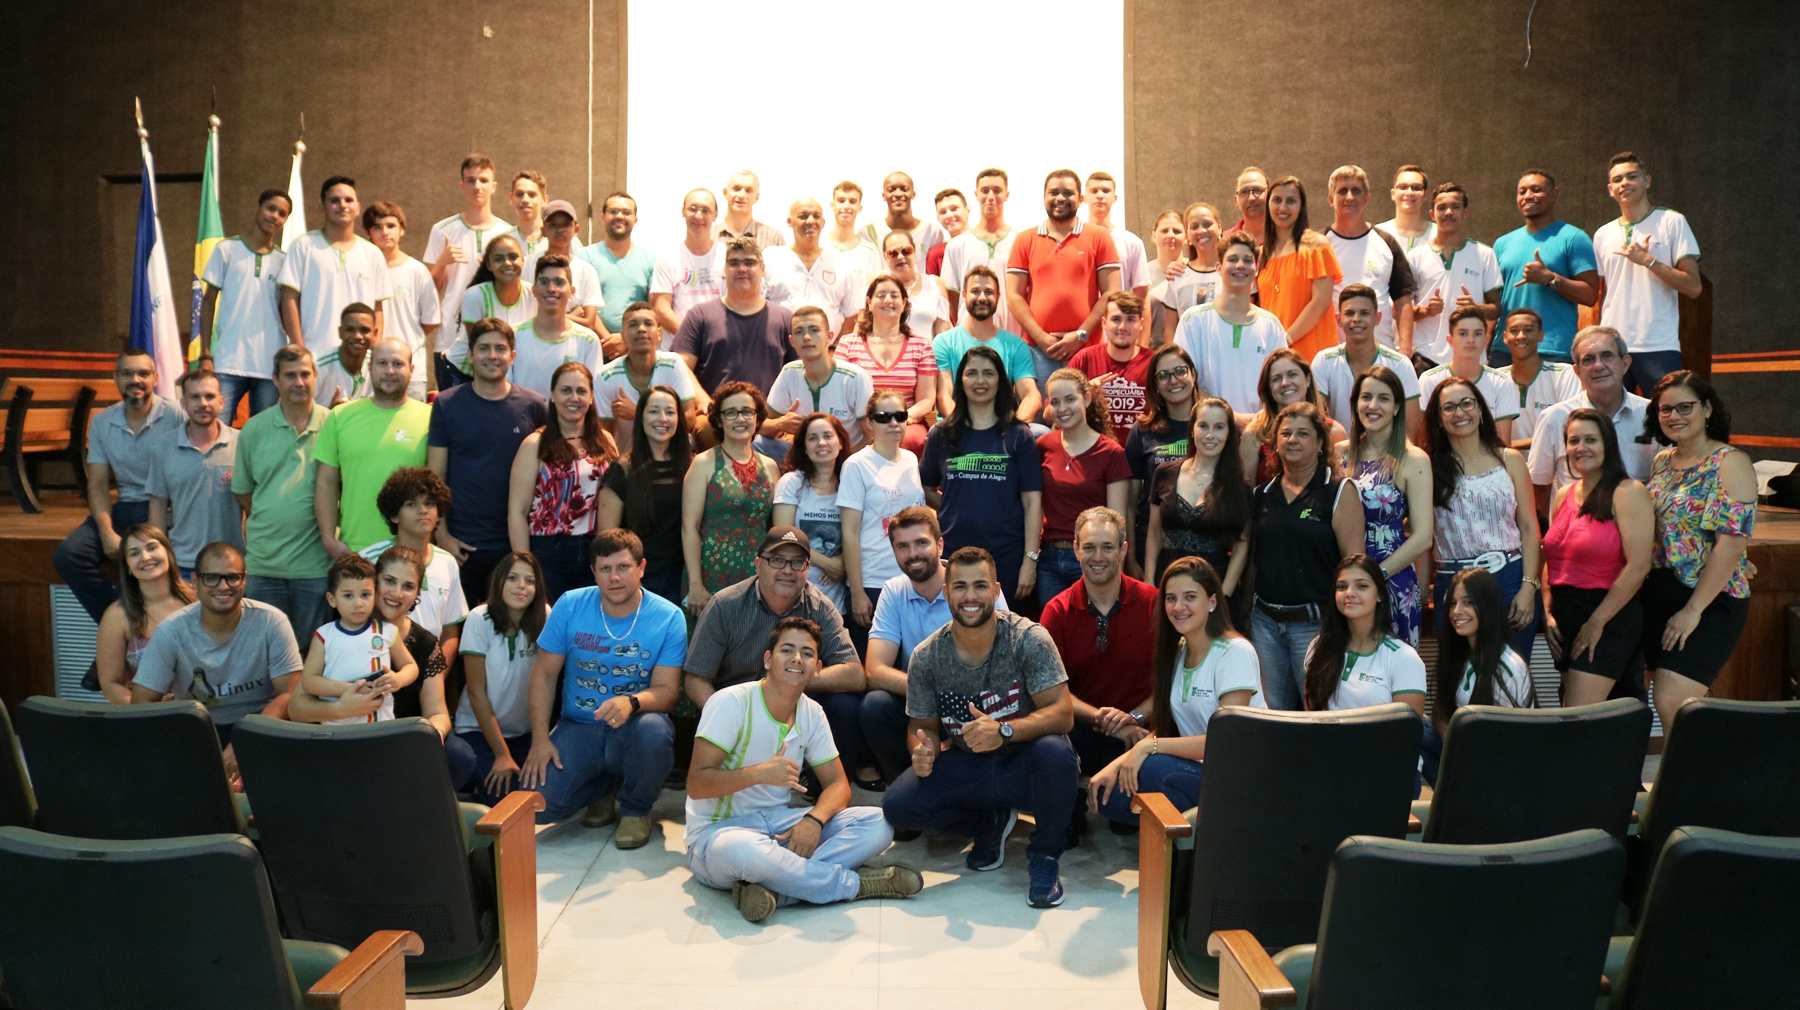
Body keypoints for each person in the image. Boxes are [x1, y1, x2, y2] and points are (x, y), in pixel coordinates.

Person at [686, 617, 920, 924]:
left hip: (779, 825)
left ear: (817, 668)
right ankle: (854, 886)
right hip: (718, 833)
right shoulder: (730, 702)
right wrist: (758, 773)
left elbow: (838, 786)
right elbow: (697, 784)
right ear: (768, 660)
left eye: (807, 653)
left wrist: (814, 819)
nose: (797, 659)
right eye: (787, 650)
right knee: (745, 852)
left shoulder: (812, 712)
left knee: (879, 823)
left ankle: (777, 888)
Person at [881, 547, 1078, 908]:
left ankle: (1045, 858)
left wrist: (1004, 731)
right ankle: (988, 822)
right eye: (960, 586)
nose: (970, 596)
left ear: (995, 590)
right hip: (969, 765)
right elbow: (921, 726)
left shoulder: (1028, 638)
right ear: (946, 593)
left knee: (1056, 752)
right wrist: (921, 749)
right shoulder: (927, 656)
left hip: (1023, 763)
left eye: (980, 586)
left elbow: (1063, 714)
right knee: (898, 806)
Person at [518, 529, 684, 845]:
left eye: (623, 567)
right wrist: (540, 740)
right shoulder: (570, 604)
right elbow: (543, 675)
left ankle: (635, 809)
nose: (614, 578)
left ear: (641, 568)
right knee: (537, 806)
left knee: (654, 731)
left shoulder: (668, 617)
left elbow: (667, 692)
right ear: (593, 572)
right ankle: (601, 790)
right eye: (605, 569)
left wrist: (631, 703)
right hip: (579, 724)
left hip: (634, 725)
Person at [1088, 556, 1265, 827]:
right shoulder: (1180, 651)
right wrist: (1117, 765)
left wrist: (1148, 747)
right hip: (1195, 770)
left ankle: (1217, 835)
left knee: (1155, 769)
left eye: (1190, 597)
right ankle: (1190, 834)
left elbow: (1227, 740)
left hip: (1237, 778)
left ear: (1213, 602)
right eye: (1171, 598)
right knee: (1107, 795)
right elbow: (1169, 729)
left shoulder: (1235, 652)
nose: (1178, 607)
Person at [683, 528, 867, 784]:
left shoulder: (821, 607)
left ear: (807, 568)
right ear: (758, 564)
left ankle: (818, 789)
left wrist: (794, 677)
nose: (788, 570)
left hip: (794, 711)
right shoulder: (725, 605)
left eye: (797, 562)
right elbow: (695, 680)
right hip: (738, 711)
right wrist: (727, 718)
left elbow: (855, 674)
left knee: (845, 706)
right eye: (777, 560)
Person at [860, 507, 1013, 788]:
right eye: (903, 546)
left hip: (976, 699)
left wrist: (954, 698)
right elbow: (875, 670)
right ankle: (906, 784)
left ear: (940, 545)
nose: (913, 554)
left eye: (921, 543)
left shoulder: (973, 586)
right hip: (921, 702)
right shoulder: (893, 591)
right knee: (875, 705)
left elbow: (1006, 657)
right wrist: (934, 694)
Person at [1638, 370, 1755, 731]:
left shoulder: (1730, 461)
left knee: (1673, 701)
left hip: (1709, 599)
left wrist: (1692, 611)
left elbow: (1731, 542)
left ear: (1706, 409)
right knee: (1662, 703)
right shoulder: (1662, 461)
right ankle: (1683, 770)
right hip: (1660, 593)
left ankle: (1708, 769)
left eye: (1684, 407)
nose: (1674, 416)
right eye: (1665, 409)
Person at [1039, 507, 1158, 840]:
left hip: (1139, 731)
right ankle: (1069, 807)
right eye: (1089, 547)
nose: (1098, 557)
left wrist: (1133, 718)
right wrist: (1104, 720)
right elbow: (1050, 690)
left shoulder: (1154, 603)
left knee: (1124, 822)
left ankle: (1116, 801)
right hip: (1083, 728)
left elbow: (1175, 679)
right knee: (1047, 741)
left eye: (1108, 547)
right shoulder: (1056, 611)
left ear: (1123, 549)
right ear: (1076, 549)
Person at [55, 350, 190, 626]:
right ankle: (122, 623)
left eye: (143, 373)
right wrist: (106, 532)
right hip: (125, 507)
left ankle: (130, 625)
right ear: (116, 378)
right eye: (127, 373)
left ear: (155, 378)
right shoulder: (102, 421)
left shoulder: (176, 414)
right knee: (69, 556)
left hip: (166, 508)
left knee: (138, 565)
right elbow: (98, 483)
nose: (135, 380)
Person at [1249, 402, 1366, 711]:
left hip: (1316, 625)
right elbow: (1252, 562)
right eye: (1286, 433)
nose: (1293, 440)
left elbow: (1355, 565)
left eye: (1303, 434)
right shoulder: (1261, 494)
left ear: (1320, 444)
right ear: (1275, 443)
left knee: (1318, 713)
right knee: (1270, 715)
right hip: (1265, 624)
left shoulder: (1338, 490)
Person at [130, 542, 304, 749]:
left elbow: (289, 694)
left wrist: (247, 741)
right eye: (211, 578)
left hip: (261, 724)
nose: (223, 586)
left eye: (232, 577)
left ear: (244, 579)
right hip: (196, 728)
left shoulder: (272, 621)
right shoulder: (171, 631)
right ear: (195, 581)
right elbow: (141, 703)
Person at [427, 318, 548, 603]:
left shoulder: (534, 405)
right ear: (470, 355)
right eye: (483, 348)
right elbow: (434, 478)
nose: (492, 356)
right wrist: (442, 536)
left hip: (517, 546)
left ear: (512, 356)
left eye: (500, 348)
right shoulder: (446, 404)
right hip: (463, 548)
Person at [1424, 376, 1543, 659]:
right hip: (1453, 582)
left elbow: (1529, 527)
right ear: (1438, 419)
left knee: (1512, 674)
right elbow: (1423, 537)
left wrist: (1529, 585)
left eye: (1467, 403)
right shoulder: (1427, 467)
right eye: (1449, 407)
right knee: (1458, 675)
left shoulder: (1510, 460)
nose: (1460, 412)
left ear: (1480, 409)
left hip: (1509, 577)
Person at [1541, 410, 1652, 706]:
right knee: (1575, 710)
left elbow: (1639, 566)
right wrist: (1547, 611)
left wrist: (1596, 622)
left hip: (1607, 614)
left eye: (1591, 440)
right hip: (1565, 615)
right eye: (1573, 441)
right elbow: (1553, 558)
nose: (1581, 448)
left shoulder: (1628, 492)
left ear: (1608, 444)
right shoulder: (1564, 494)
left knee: (1576, 717)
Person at [920, 346, 1043, 600]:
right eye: (971, 373)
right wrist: (954, 507)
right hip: (954, 555)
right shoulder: (941, 434)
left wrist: (1029, 560)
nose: (980, 381)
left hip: (1007, 557)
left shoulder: (1019, 435)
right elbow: (926, 488)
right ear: (961, 381)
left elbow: (1033, 503)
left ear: (1001, 381)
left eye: (988, 373)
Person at [1302, 555, 1428, 795]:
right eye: (1341, 587)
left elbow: (1406, 737)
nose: (1349, 593)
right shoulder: (1318, 647)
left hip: (1387, 772)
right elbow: (1313, 719)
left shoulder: (1404, 657)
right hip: (1331, 767)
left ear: (1379, 594)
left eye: (1361, 586)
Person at [233, 346, 333, 641]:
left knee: (312, 653)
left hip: (316, 568)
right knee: (264, 651)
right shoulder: (254, 429)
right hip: (264, 566)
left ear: (315, 376)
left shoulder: (334, 426)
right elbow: (244, 492)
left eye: (305, 374)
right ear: (275, 379)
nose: (299, 382)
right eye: (290, 375)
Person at [1592, 152, 1703, 396]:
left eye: (1632, 177)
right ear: (1610, 189)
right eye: (1618, 180)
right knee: (1611, 417)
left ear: (1647, 181)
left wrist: (1649, 261)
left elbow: (1694, 287)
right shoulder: (1602, 234)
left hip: (1658, 344)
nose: (1625, 183)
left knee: (1666, 413)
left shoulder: (1672, 221)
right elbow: (1607, 293)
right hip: (1613, 347)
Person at [1339, 368, 1434, 646]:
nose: (1373, 405)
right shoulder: (1340, 453)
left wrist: (1374, 578)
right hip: (1345, 582)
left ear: (1396, 407)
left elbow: (1423, 536)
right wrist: (1352, 582)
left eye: (1383, 398)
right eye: (1366, 397)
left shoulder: (1413, 458)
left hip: (1392, 577)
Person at [506, 363, 617, 601]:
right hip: (548, 551)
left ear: (591, 396)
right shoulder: (535, 444)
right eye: (566, 390)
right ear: (553, 395)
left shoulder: (605, 441)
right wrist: (524, 563)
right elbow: (517, 511)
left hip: (596, 550)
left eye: (581, 391)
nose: (574, 398)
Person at [313, 338, 432, 554]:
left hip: (411, 555)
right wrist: (329, 540)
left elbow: (438, 486)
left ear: (412, 370)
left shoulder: (431, 418)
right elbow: (326, 483)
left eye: (398, 364)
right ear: (369, 367)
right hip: (354, 550)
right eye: (382, 363)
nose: (389, 371)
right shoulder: (340, 416)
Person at [1007, 169, 1122, 390]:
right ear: (1044, 197)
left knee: (1088, 407)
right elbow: (1013, 296)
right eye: (1054, 193)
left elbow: (1111, 293)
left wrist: (1080, 335)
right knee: (1040, 411)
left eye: (1068, 193)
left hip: (1086, 348)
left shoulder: (1100, 237)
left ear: (1080, 198)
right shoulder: (1024, 239)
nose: (1060, 198)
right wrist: (1041, 338)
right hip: (1037, 351)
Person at [1422, 566, 1536, 781]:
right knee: (1415, 727)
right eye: (1453, 603)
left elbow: (1512, 743)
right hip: (1464, 757)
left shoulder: (1509, 667)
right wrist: (1455, 750)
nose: (1457, 611)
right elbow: (1440, 712)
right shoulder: (1459, 653)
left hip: (1497, 773)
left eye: (1468, 602)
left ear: (1488, 606)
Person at [1528, 326, 1657, 515]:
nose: (1598, 366)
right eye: (1588, 359)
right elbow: (1538, 486)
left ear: (1625, 364)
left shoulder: (1651, 414)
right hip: (1577, 528)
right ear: (1577, 371)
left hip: (1639, 525)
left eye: (1606, 356)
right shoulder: (1554, 418)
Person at [455, 551, 547, 804]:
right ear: (499, 582)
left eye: (530, 580)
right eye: (512, 578)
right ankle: (472, 786)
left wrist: (541, 741)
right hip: (478, 731)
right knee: (507, 802)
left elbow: (549, 680)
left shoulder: (544, 616)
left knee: (543, 798)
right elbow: (475, 692)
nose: (521, 586)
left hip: (524, 732)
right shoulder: (479, 618)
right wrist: (502, 755)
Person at [356, 467, 469, 671]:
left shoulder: (447, 562)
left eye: (430, 503)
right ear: (394, 515)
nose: (423, 510)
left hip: (431, 674)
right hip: (378, 671)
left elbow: (450, 632)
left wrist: (435, 676)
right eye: (411, 504)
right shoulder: (368, 560)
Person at [838, 391, 928, 642]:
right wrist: (857, 592)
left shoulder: (911, 459)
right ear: (869, 422)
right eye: (883, 417)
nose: (893, 423)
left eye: (900, 416)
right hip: (873, 582)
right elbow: (849, 532)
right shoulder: (856, 465)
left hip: (912, 579)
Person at [197, 189, 293, 418]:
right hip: (228, 361)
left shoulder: (284, 261)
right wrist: (206, 354)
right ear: (258, 208)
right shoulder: (227, 249)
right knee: (217, 428)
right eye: (271, 208)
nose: (275, 216)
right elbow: (208, 302)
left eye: (282, 214)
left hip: (269, 366)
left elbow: (290, 309)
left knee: (263, 434)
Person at [682, 383, 779, 610]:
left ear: (757, 417)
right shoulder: (703, 463)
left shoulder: (770, 467)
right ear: (719, 420)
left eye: (747, 411)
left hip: (757, 577)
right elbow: (689, 528)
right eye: (731, 412)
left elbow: (775, 528)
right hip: (710, 575)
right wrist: (695, 583)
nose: (740, 419)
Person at [1036, 368, 1130, 603]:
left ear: (1087, 399)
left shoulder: (1111, 452)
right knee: (1051, 626)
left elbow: (1118, 522)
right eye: (1055, 402)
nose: (1062, 408)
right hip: (1049, 560)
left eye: (1070, 399)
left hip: (1094, 559)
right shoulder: (1043, 446)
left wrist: (1117, 573)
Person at [424, 154, 516, 390]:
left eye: (483, 180)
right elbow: (430, 290)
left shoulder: (508, 235)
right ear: (461, 185)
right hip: (450, 340)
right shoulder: (442, 230)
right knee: (454, 409)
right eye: (471, 180)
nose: (477, 186)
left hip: (495, 343)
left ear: (493, 186)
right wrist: (442, 263)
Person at [1493, 170, 1599, 366]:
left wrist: (1550, 279)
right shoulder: (1502, 244)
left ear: (1554, 194)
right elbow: (1495, 300)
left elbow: (1590, 295)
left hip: (1554, 350)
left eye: (1536, 190)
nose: (1527, 196)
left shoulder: (1574, 238)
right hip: (1506, 349)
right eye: (1522, 191)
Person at [278, 176, 392, 357]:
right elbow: (289, 299)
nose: (342, 205)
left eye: (348, 200)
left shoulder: (372, 253)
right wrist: (300, 350)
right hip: (314, 356)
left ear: (357, 208)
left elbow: (377, 308)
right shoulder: (303, 246)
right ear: (322, 207)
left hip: (360, 360)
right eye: (334, 200)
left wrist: (373, 350)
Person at [1144, 397, 1251, 589]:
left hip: (1213, 586)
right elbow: (1154, 533)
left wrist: (1224, 594)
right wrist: (1149, 583)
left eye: (1219, 427)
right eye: (1203, 426)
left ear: (1229, 433)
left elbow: (1241, 545)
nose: (1210, 435)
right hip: (1166, 582)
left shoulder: (1239, 487)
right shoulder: (1164, 473)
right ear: (1192, 429)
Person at [597, 384, 691, 604]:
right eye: (654, 411)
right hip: (636, 579)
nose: (663, 419)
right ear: (641, 417)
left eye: (670, 412)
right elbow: (607, 538)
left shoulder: (690, 467)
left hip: (680, 578)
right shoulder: (622, 469)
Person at [1176, 230, 1288, 414]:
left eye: (1247, 260)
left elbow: (1281, 384)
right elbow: (1185, 381)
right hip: (1209, 425)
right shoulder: (1193, 321)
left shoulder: (1271, 325)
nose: (1240, 265)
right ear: (1219, 268)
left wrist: (1257, 422)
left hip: (1259, 427)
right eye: (1233, 259)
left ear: (1256, 268)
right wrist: (1229, 417)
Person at [298, 554, 418, 725]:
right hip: (336, 730)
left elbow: (411, 666)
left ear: (375, 595)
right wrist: (350, 689)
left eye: (365, 594)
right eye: (348, 596)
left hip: (379, 727)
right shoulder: (324, 635)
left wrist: (399, 679)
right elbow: (309, 681)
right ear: (332, 599)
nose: (358, 603)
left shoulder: (387, 631)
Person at [674, 236, 795, 398]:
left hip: (770, 413)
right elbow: (680, 367)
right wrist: (705, 403)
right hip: (714, 412)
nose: (741, 269)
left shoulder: (785, 319)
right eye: (734, 263)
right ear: (724, 269)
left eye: (749, 263)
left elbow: (799, 375)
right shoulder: (700, 315)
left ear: (763, 269)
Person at [147, 370, 241, 576]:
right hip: (182, 562)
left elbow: (253, 505)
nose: (203, 403)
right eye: (195, 397)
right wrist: (159, 555)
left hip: (231, 563)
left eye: (209, 396)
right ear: (183, 403)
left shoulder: (241, 443)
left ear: (221, 402)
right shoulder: (163, 446)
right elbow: (158, 504)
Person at [1405, 183, 1501, 372]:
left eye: (1455, 207)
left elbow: (1496, 309)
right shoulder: (1415, 256)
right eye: (1442, 207)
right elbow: (1399, 311)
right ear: (1432, 214)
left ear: (1466, 212)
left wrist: (1476, 308)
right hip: (1425, 357)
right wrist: (1425, 310)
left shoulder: (1485, 254)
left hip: (1471, 356)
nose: (1448, 212)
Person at [836, 275, 936, 454]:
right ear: (869, 302)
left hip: (903, 421)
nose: (888, 300)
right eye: (881, 295)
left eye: (894, 295)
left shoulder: (921, 346)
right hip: (860, 422)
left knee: (914, 439)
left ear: (904, 303)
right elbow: (838, 394)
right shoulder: (848, 343)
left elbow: (926, 400)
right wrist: (870, 423)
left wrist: (898, 419)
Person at [1322, 166, 1416, 355]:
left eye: (1356, 191)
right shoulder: (1319, 244)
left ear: (1366, 198)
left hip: (1381, 354)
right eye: (1342, 191)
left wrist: (1405, 349)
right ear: (1331, 199)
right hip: (1333, 355)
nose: (1349, 197)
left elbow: (1404, 301)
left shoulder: (1386, 243)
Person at [95, 525, 194, 704]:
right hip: (144, 713)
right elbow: (110, 685)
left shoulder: (198, 600)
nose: (146, 557)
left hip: (203, 709)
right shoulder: (116, 616)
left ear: (168, 553)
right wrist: (145, 710)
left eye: (152, 547)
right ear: (127, 566)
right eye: (134, 553)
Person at [930, 266, 1041, 425]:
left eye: (988, 292)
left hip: (1004, 427)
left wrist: (1014, 428)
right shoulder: (944, 342)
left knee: (1041, 432)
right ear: (964, 295)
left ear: (998, 296)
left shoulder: (1016, 346)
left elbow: (1031, 396)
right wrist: (967, 429)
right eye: (975, 291)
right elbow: (944, 396)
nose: (982, 298)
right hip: (956, 426)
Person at [1313, 285, 1422, 442]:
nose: (1356, 319)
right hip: (1339, 451)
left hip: (1388, 453)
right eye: (1349, 313)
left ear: (1377, 318)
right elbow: (1315, 417)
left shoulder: (1400, 364)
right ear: (1338, 319)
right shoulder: (1324, 361)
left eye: (1364, 313)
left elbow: (1410, 429)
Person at [1125, 345, 1199, 575]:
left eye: (1180, 371)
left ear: (1193, 374)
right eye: (1163, 375)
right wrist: (1131, 560)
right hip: (1153, 547)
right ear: (1155, 385)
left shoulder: (1213, 425)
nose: (1173, 380)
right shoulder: (1141, 431)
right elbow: (1130, 505)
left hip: (1203, 545)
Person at [1256, 175, 1343, 363]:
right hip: (1273, 352)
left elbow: (1320, 302)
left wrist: (1286, 339)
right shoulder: (1262, 254)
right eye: (1277, 200)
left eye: (1291, 201)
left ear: (1301, 206)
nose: (1283, 208)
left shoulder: (1316, 246)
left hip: (1310, 350)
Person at [765, 306, 875, 452]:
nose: (806, 337)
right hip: (803, 457)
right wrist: (781, 424)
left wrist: (844, 462)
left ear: (829, 337)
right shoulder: (789, 372)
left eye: (814, 330)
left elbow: (872, 435)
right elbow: (762, 424)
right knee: (757, 443)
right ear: (791, 341)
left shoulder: (855, 378)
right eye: (799, 332)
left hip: (847, 458)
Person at [595, 302, 702, 452]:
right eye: (633, 324)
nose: (641, 329)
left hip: (670, 454)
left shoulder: (673, 364)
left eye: (648, 323)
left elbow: (689, 420)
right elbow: (604, 436)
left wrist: (637, 413)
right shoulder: (606, 376)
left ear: (659, 334)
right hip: (626, 459)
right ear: (623, 336)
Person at [773, 413, 853, 613]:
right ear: (804, 448)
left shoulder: (852, 484)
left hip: (837, 603)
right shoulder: (792, 483)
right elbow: (783, 535)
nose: (821, 443)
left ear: (840, 443)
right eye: (812, 438)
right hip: (794, 596)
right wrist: (828, 564)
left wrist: (844, 561)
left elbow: (862, 531)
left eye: (828, 436)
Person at [362, 201, 440, 398]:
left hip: (411, 373)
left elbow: (430, 320)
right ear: (368, 233)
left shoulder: (417, 271)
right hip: (369, 371)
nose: (385, 232)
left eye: (391, 226)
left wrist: (408, 336)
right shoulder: (361, 270)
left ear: (401, 230)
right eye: (377, 227)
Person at [1239, 350, 1348, 485]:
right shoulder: (1253, 435)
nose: (1285, 383)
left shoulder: (1333, 431)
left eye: (1292, 374)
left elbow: (1338, 485)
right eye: (1276, 378)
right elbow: (1246, 493)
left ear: (1307, 380)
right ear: (1269, 389)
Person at [505, 254, 603, 403]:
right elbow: (505, 393)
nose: (551, 288)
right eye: (544, 282)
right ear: (534, 290)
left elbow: (592, 397)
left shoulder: (588, 341)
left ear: (572, 291)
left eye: (559, 282)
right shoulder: (512, 336)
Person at [1417, 307, 1522, 443]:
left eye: (1477, 334)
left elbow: (1502, 443)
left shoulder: (1500, 382)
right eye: (1463, 334)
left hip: (1487, 455)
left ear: (1486, 340)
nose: (1470, 340)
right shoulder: (1429, 380)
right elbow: (1423, 438)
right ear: (1450, 340)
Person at [763, 198, 861, 333]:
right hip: (779, 345)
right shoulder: (771, 258)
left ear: (823, 222)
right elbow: (757, 306)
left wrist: (836, 346)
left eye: (816, 216)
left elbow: (852, 315)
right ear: (790, 221)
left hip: (828, 346)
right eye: (803, 216)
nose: (810, 221)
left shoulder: (840, 262)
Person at [1069, 291, 1153, 443]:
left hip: (1144, 450)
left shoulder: (1154, 363)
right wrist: (1083, 394)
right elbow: (1050, 414)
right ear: (1104, 323)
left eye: (1130, 320)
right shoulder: (1084, 359)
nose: (1122, 327)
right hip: (1094, 450)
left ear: (1141, 324)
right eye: (1116, 319)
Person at [941, 169, 1017, 331]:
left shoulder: (1019, 242)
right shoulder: (956, 246)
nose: (991, 197)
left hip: (1010, 336)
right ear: (976, 194)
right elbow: (952, 299)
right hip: (969, 339)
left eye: (997, 191)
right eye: (985, 191)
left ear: (1007, 195)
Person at [446, 234, 533, 375]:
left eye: (513, 257)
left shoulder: (534, 294)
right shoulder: (475, 295)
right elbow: (478, 348)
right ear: (489, 265)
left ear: (523, 261)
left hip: (503, 370)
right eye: (498, 259)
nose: (507, 263)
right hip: (464, 371)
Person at [1497, 307, 1580, 452]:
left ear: (1541, 335)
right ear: (1505, 337)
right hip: (1507, 464)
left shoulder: (1564, 374)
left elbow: (1573, 428)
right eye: (1514, 331)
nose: (1521, 336)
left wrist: (1512, 445)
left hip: (1555, 464)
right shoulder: (1495, 379)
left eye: (1528, 330)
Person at [577, 191, 657, 338]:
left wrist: (624, 340)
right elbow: (580, 305)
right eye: (613, 211)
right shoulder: (585, 257)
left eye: (626, 212)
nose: (620, 216)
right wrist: (607, 339)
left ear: (635, 219)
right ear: (602, 217)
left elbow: (655, 309)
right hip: (593, 343)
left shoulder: (651, 261)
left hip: (636, 343)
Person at [650, 189, 726, 336]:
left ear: (715, 215)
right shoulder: (667, 258)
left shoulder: (727, 256)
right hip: (678, 346)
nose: (698, 216)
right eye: (693, 209)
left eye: (706, 210)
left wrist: (712, 341)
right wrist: (693, 340)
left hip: (717, 344)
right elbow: (662, 310)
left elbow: (735, 306)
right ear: (683, 211)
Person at [531, 201, 607, 341]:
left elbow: (589, 322)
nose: (560, 230)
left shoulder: (586, 270)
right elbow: (526, 314)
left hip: (575, 343)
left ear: (576, 229)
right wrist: (573, 315)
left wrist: (552, 316)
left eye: (566, 225)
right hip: (536, 340)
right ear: (543, 230)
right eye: (552, 225)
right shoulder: (528, 265)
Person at [1083, 172, 1148, 300]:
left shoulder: (1133, 243)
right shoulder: (1075, 240)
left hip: (1119, 312)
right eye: (1094, 191)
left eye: (1106, 191)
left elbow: (1141, 293)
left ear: (1115, 197)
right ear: (1084, 198)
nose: (1100, 196)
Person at [877, 230, 951, 341]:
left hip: (926, 351)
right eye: (893, 253)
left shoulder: (934, 284)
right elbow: (863, 326)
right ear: (885, 257)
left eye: (906, 251)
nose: (900, 257)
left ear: (915, 252)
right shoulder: (877, 285)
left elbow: (943, 331)